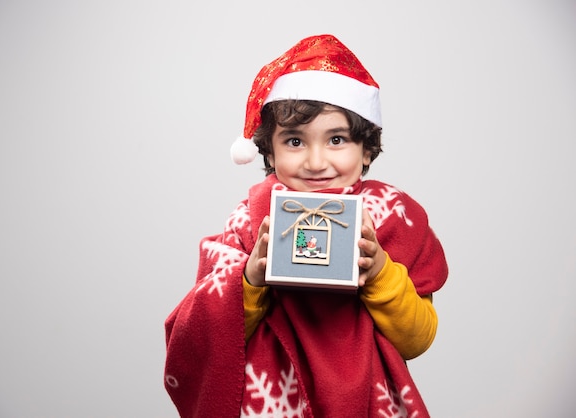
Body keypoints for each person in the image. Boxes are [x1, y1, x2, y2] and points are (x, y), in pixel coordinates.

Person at [164, 34, 448, 417]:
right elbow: (201, 336)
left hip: (366, 400)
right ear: (269, 151)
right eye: (295, 141)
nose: (316, 162)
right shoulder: (250, 221)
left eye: (336, 139)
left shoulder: (394, 216)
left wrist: (379, 271)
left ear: (366, 151)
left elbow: (418, 338)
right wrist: (249, 279)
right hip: (272, 402)